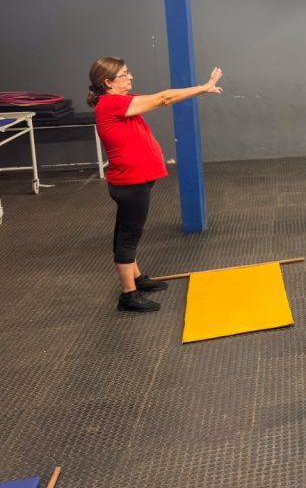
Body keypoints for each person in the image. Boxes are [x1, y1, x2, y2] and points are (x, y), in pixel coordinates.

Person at [87, 58, 223, 312]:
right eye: (124, 74)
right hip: (130, 183)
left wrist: (201, 90)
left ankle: (137, 279)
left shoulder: (122, 102)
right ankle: (128, 294)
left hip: (134, 180)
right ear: (108, 82)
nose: (130, 77)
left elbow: (165, 98)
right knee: (128, 236)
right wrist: (203, 88)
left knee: (126, 231)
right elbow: (164, 98)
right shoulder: (111, 104)